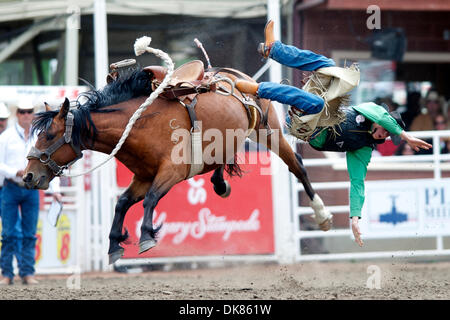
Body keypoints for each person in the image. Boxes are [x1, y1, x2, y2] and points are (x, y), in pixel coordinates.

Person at [235, 20, 432, 247]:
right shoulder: (373, 112)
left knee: (317, 104)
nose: (385, 136)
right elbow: (378, 113)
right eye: (388, 131)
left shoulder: (363, 148)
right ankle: (274, 49)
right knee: (327, 63)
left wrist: (355, 218)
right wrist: (405, 135)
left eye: (389, 136)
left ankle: (259, 89)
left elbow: (358, 183)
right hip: (315, 107)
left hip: (308, 126)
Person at [0, 98, 62, 285]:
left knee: (29, 233)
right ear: (17, 114)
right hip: (11, 187)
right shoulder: (6, 137)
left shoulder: (40, 137)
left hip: (31, 189)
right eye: (22, 111)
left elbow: (48, 164)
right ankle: (7, 273)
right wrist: (15, 172)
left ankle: (27, 273)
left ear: (33, 114)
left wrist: (55, 190)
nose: (26, 115)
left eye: (29, 111)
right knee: (9, 233)